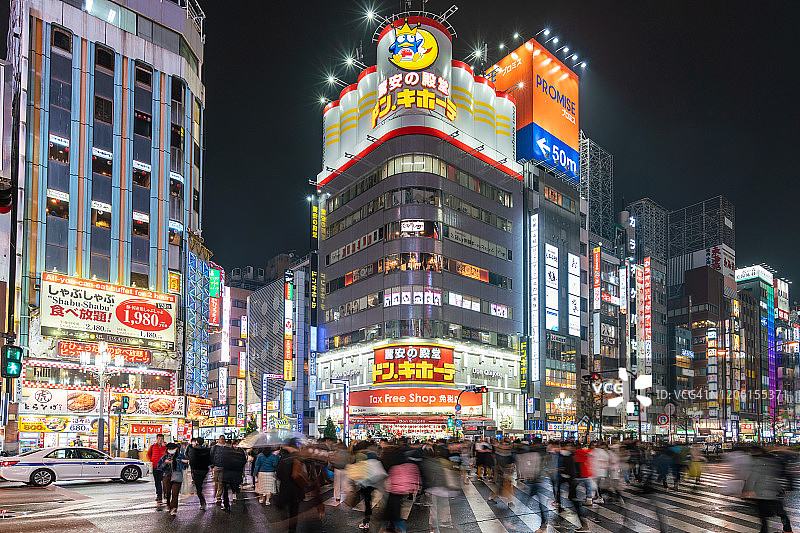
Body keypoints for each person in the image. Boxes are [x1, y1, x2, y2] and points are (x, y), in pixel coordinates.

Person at [743, 446, 794, 533]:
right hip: (775, 490)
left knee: (763, 515)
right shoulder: (773, 459)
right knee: (781, 513)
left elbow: (753, 477)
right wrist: (786, 485)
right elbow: (782, 472)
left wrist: (748, 489)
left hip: (761, 492)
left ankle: (764, 531)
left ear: (756, 452)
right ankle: (788, 530)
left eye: (752, 451)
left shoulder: (757, 462)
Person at [276, 441, 309, 533]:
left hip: (285, 488)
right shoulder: (298, 458)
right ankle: (292, 529)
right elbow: (303, 473)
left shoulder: (282, 459)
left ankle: (286, 522)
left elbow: (279, 475)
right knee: (294, 511)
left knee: (285, 506)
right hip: (296, 489)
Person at [157, 442, 189, 516]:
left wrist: (182, 462)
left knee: (175, 493)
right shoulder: (165, 457)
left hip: (177, 475)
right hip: (167, 476)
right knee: (167, 493)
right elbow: (160, 467)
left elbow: (186, 466)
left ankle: (173, 508)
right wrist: (165, 463)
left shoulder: (181, 456)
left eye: (172, 448)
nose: (171, 450)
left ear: (176, 449)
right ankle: (168, 503)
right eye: (169, 449)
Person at [216, 442, 248, 512]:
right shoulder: (240, 452)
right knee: (234, 487)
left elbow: (221, 461)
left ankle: (226, 506)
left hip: (226, 473)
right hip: (236, 473)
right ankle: (236, 500)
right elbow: (244, 461)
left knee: (225, 490)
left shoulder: (225, 452)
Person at [187, 437, 212, 510]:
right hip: (204, 470)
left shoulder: (193, 450)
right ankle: (202, 501)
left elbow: (191, 460)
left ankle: (202, 501)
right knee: (201, 485)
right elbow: (210, 460)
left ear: (197, 442)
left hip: (196, 470)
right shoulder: (207, 450)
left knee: (198, 487)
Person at [146, 434, 167, 505]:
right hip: (155, 466)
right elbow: (148, 454)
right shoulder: (153, 446)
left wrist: (164, 447)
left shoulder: (165, 447)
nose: (160, 440)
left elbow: (167, 455)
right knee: (157, 482)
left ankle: (165, 494)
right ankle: (159, 495)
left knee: (164, 482)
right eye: (159, 438)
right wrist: (152, 460)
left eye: (161, 439)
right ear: (157, 439)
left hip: (163, 467)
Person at [210, 436, 228, 504]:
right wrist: (212, 466)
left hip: (223, 467)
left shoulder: (226, 448)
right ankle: (215, 493)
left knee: (221, 483)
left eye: (223, 439)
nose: (222, 440)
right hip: (216, 466)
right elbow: (211, 456)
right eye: (221, 439)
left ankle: (218, 496)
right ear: (219, 439)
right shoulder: (214, 447)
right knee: (216, 482)